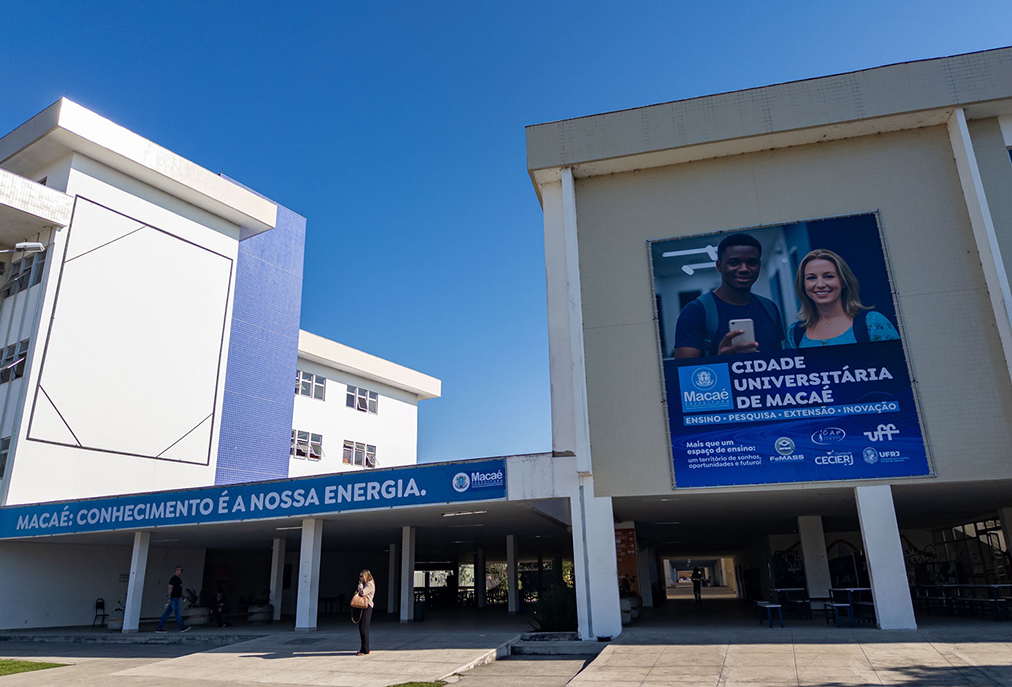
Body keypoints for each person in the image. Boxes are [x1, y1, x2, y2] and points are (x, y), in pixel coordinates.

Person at [673, 233, 785, 358]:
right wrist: (721, 360)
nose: (744, 269)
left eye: (752, 263)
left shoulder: (770, 308)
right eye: (734, 262)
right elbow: (684, 373)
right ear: (719, 266)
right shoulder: (695, 311)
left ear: (759, 265)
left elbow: (780, 359)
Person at [786, 249, 899, 347]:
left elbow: (899, 367)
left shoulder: (872, 323)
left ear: (844, 282)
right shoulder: (795, 332)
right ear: (803, 285)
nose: (820, 284)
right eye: (811, 278)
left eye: (829, 276)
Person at [155, 566, 190, 633]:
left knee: (166, 614)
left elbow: (178, 589)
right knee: (177, 613)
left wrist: (182, 596)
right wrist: (169, 597)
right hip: (173, 599)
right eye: (180, 570)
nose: (181, 572)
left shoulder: (179, 580)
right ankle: (182, 627)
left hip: (176, 597)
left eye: (182, 571)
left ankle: (159, 628)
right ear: (176, 571)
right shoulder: (173, 579)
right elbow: (170, 588)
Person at [355, 569, 375, 656]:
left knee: (364, 628)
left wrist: (359, 585)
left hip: (368, 606)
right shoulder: (366, 584)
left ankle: (365, 649)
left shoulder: (370, 584)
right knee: (362, 627)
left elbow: (362, 593)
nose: (360, 578)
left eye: (361, 576)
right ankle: (363, 648)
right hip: (363, 606)